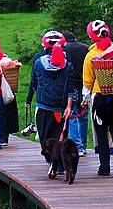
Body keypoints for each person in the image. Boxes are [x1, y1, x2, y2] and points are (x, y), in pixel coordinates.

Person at [25, 30, 78, 179]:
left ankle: (51, 164)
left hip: (44, 107)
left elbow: (34, 84)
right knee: (60, 138)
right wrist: (68, 107)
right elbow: (70, 88)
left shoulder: (38, 63)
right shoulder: (67, 66)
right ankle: (60, 167)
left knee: (45, 139)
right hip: (61, 109)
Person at [82, 20, 113, 176]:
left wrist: (85, 98)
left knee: (101, 132)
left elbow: (87, 82)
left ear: (92, 37)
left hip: (100, 98)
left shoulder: (91, 56)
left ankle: (105, 167)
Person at [61, 30, 90, 156]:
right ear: (75, 38)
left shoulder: (64, 50)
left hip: (71, 87)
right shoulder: (86, 48)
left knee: (71, 116)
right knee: (83, 115)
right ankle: (83, 145)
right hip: (84, 86)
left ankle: (77, 147)